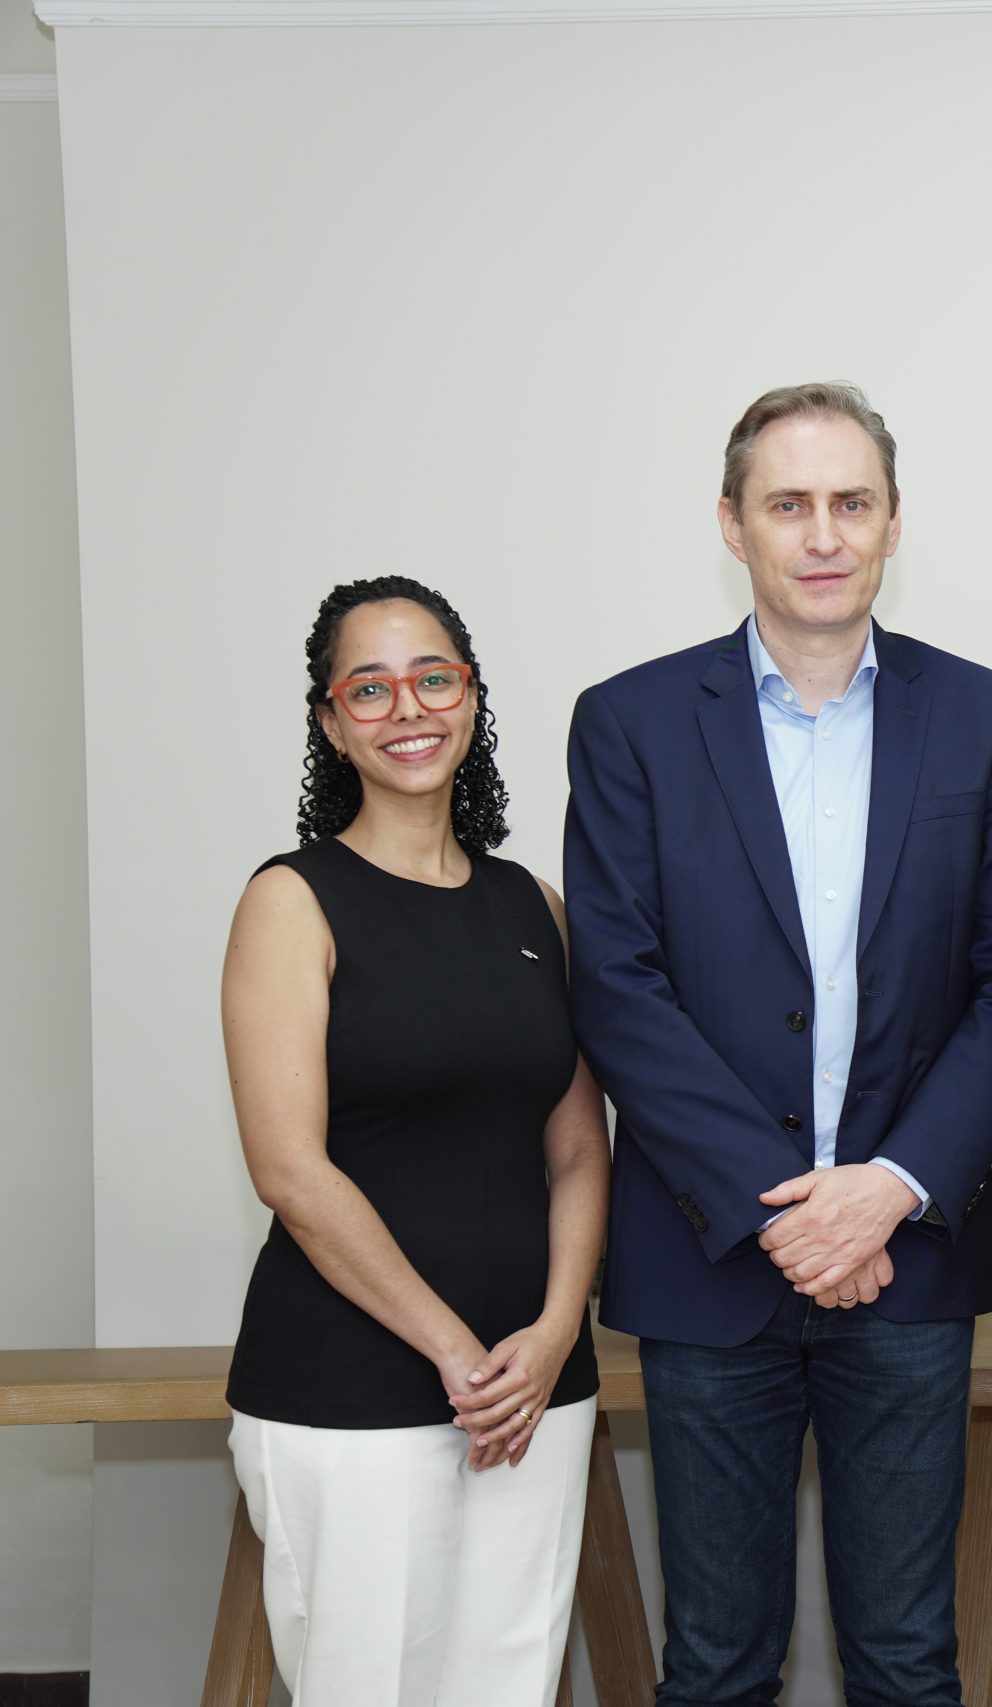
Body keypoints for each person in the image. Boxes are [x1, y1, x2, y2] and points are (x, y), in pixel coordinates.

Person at [565, 382, 992, 1707]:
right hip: (711, 1252)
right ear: (733, 525)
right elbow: (619, 988)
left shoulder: (984, 715)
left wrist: (885, 1189)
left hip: (909, 1253)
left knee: (907, 1659)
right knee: (717, 1662)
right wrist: (786, 1211)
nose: (823, 533)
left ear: (894, 521)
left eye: (851, 502)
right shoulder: (632, 722)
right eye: (789, 504)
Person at [221, 576, 608, 1703]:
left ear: (471, 696)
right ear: (332, 721)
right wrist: (455, 1352)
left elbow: (579, 1149)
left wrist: (551, 1335)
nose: (408, 709)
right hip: (354, 1390)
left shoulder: (534, 905)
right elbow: (289, 1170)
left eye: (433, 678)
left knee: (510, 1684)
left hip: (536, 1386)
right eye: (370, 687)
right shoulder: (291, 901)